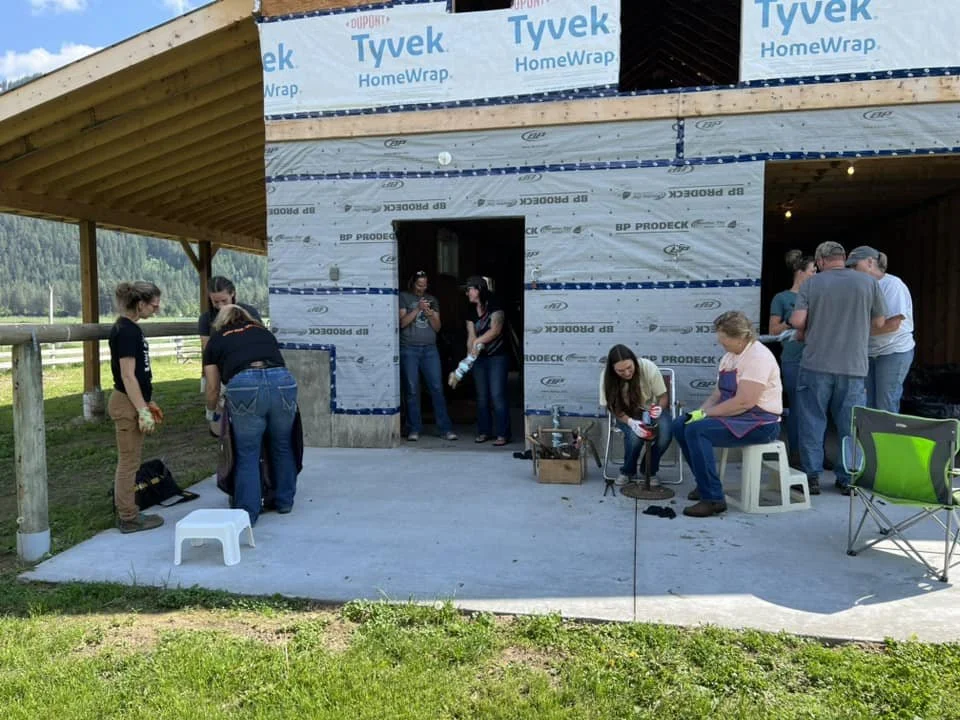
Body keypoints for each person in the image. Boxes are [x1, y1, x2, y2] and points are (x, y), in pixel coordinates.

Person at [789, 241, 887, 495]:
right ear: (843, 258)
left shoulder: (812, 283)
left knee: (812, 420)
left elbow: (798, 321)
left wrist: (810, 326)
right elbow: (880, 322)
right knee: (849, 424)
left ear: (821, 261)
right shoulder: (869, 283)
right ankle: (847, 478)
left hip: (816, 364)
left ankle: (812, 477)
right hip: (854, 365)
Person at [674, 311, 783, 518]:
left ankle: (713, 498)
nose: (721, 343)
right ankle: (704, 483)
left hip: (760, 422)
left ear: (741, 337)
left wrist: (706, 415)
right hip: (735, 415)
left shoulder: (757, 357)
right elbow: (718, 393)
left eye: (724, 339)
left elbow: (744, 402)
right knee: (681, 424)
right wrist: (699, 412)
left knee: (698, 431)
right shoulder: (729, 357)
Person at [203, 304, 298, 525]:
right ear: (246, 318)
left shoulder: (216, 340)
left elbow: (212, 388)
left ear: (221, 322)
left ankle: (248, 511)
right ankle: (284, 501)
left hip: (245, 384)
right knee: (282, 443)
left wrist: (211, 411)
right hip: (282, 382)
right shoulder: (263, 332)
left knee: (248, 451)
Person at [107, 281, 165, 534]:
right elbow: (128, 376)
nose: (156, 309)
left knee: (132, 460)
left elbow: (138, 375)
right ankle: (128, 517)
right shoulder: (127, 331)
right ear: (140, 304)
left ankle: (129, 512)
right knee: (129, 463)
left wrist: (146, 401)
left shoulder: (129, 328)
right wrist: (141, 409)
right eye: (153, 305)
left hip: (133, 400)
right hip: (126, 403)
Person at [846, 246, 915, 413]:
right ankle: (871, 440)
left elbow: (892, 324)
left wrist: (854, 334)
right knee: (867, 405)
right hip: (869, 352)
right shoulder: (860, 287)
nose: (851, 270)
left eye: (855, 265)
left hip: (893, 351)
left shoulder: (892, 285)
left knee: (886, 403)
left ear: (870, 262)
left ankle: (888, 439)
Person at [599, 345, 672, 486]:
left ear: (635, 361)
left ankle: (648, 470)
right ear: (613, 370)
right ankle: (627, 471)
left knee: (666, 433)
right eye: (620, 371)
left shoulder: (648, 367)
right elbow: (613, 408)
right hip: (625, 413)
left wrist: (659, 408)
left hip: (650, 409)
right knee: (635, 436)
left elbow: (663, 396)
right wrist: (631, 422)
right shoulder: (606, 377)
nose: (626, 373)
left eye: (629, 368)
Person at [769, 250, 816, 464]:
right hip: (793, 359)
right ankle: (796, 452)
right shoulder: (782, 298)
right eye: (813, 271)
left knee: (817, 407)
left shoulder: (819, 295)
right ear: (800, 272)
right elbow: (773, 330)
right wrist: (792, 321)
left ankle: (816, 453)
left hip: (817, 359)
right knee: (797, 407)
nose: (816, 275)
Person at [399, 271, 456, 441]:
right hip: (409, 349)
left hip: (430, 350)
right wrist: (417, 308)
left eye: (424, 285)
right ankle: (414, 428)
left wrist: (429, 313)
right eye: (419, 285)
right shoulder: (404, 297)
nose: (422, 288)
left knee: (437, 388)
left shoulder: (432, 299)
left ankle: (445, 429)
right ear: (412, 284)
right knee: (412, 389)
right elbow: (402, 323)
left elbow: (437, 328)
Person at [464, 275, 511, 446]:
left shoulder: (495, 304)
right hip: (480, 359)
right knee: (482, 397)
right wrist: (470, 355)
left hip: (498, 357)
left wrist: (477, 342)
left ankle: (502, 434)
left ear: (478, 290)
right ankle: (484, 431)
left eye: (470, 289)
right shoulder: (470, 309)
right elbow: (471, 335)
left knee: (497, 395)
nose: (468, 293)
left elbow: (495, 330)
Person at [198, 276, 262, 352]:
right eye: (216, 302)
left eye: (224, 300)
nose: (221, 306)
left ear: (232, 293)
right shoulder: (206, 318)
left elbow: (260, 338)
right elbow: (208, 349)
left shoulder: (249, 311)